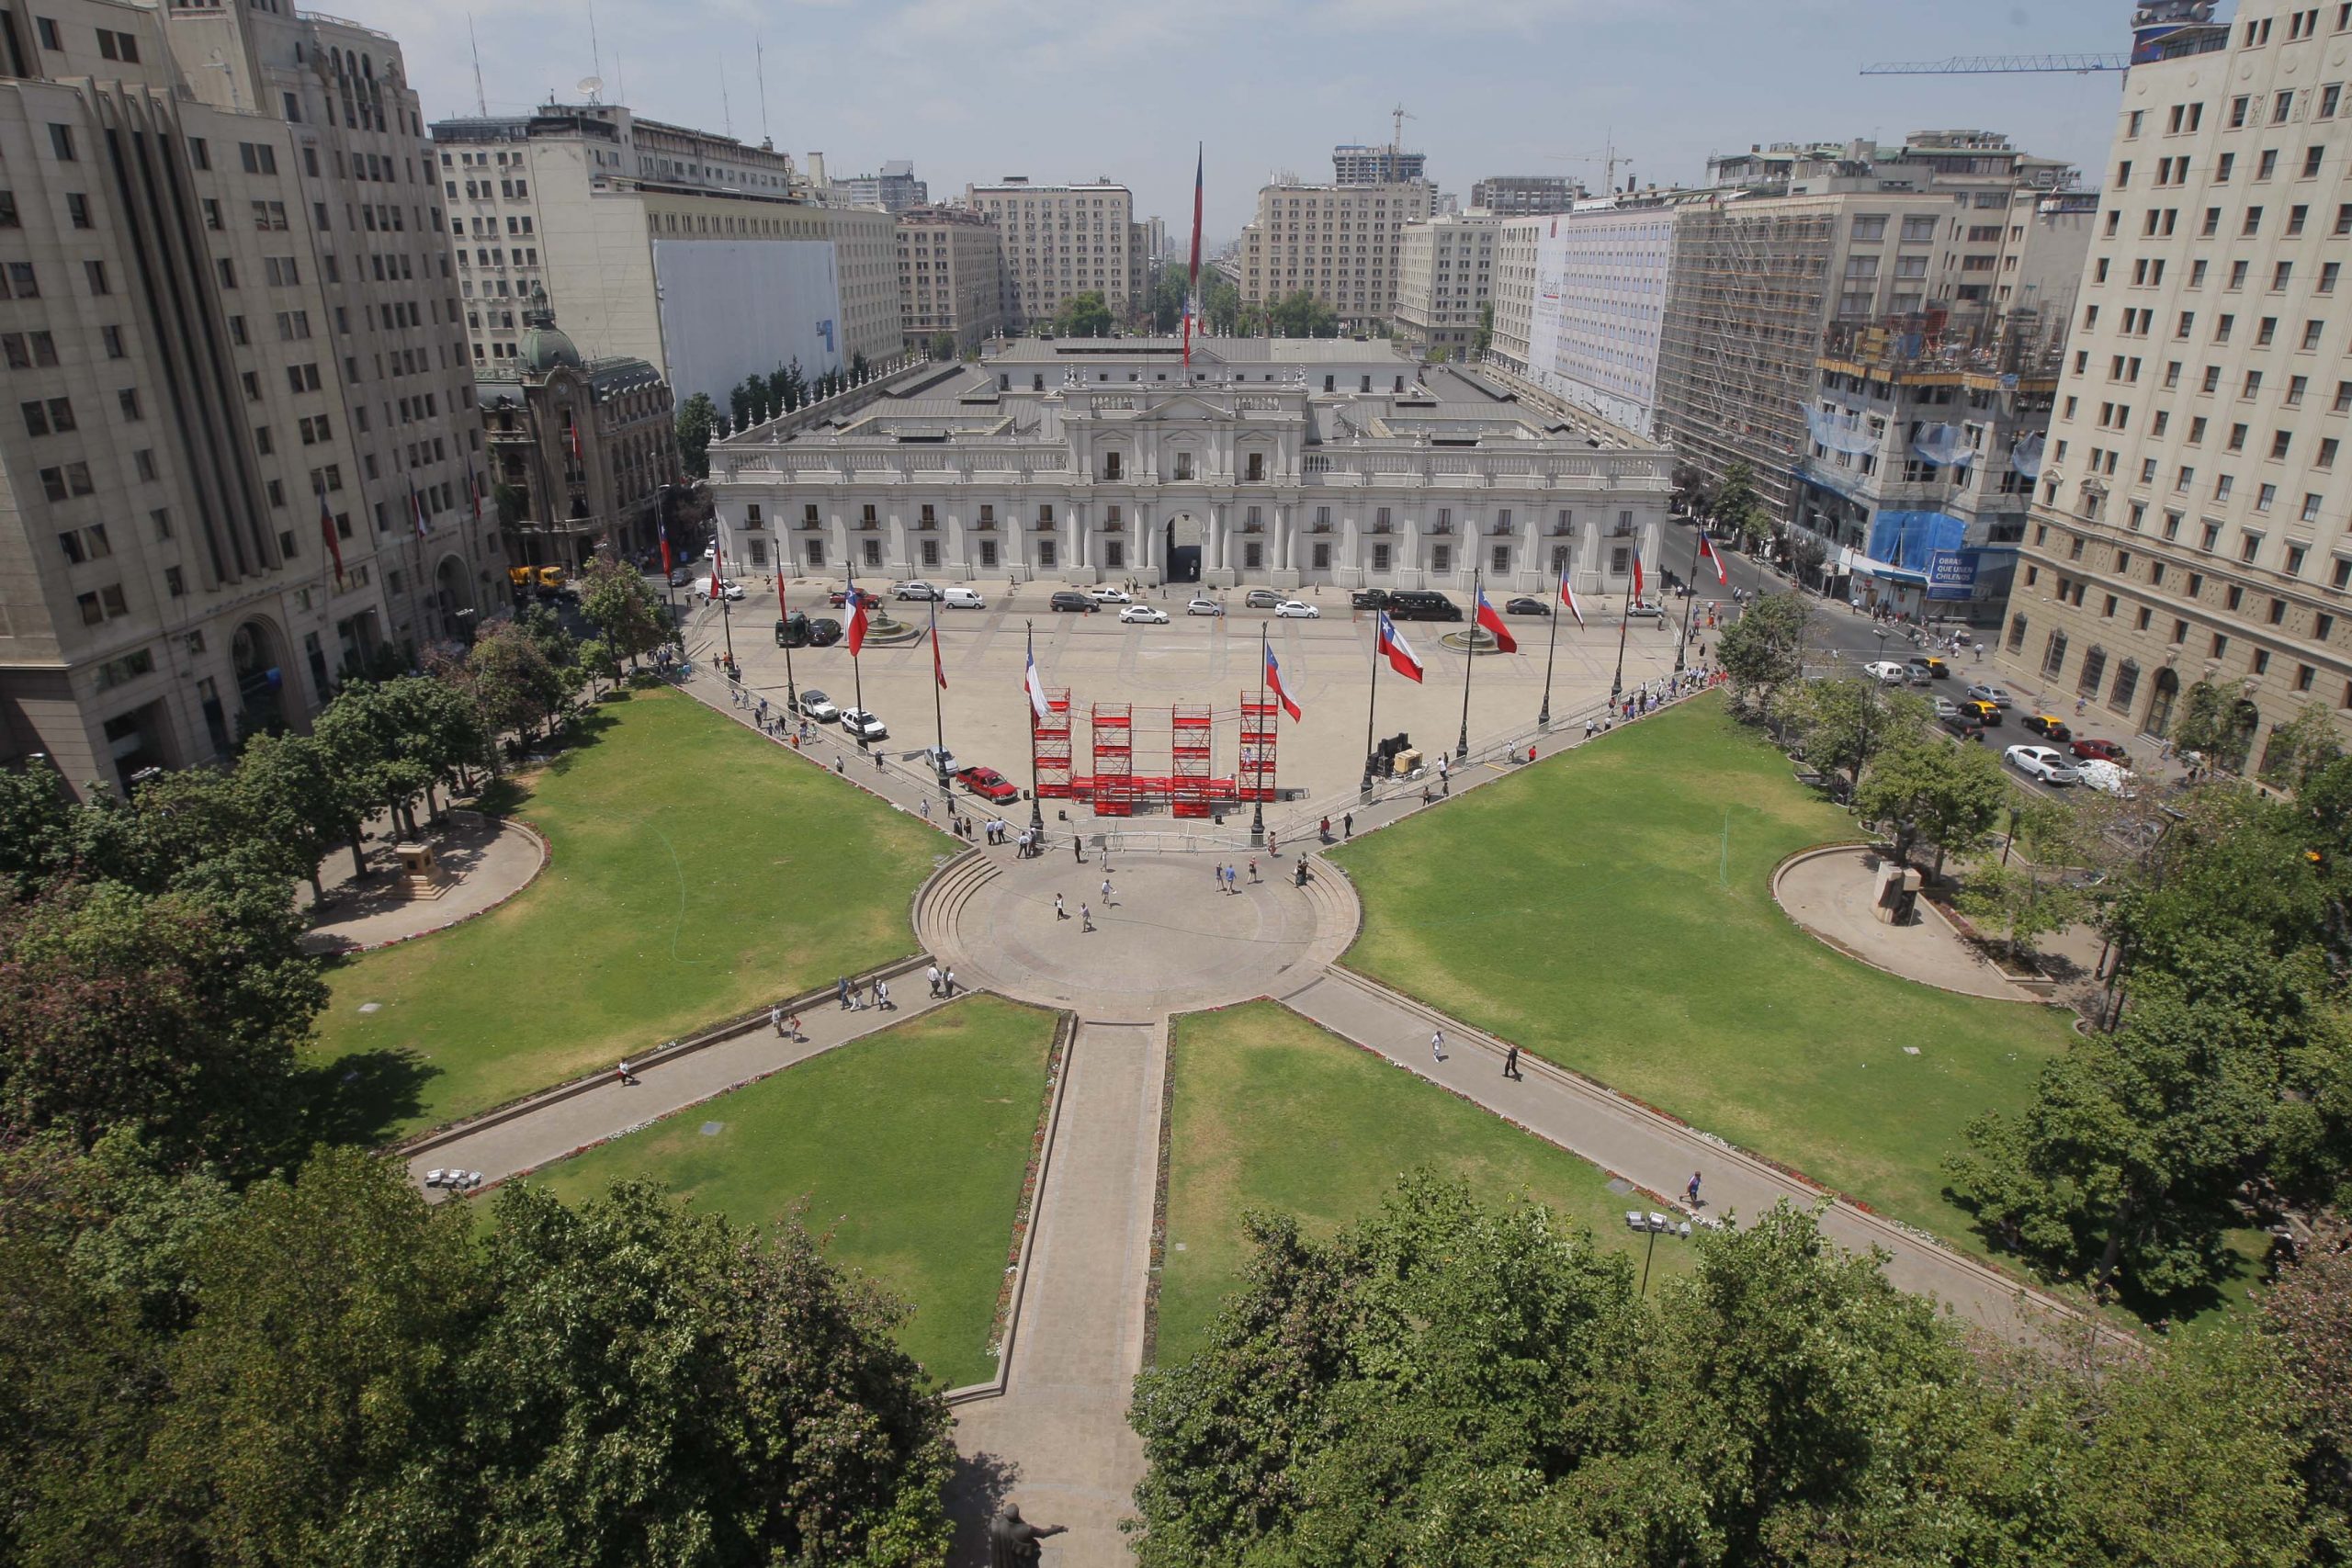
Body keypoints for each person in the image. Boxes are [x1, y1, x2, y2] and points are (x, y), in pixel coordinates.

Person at [989, 1502, 1067, 1568]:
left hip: (1006, 1560)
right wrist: (1059, 1529)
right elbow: (1043, 1534)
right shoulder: (1026, 1529)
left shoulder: (995, 1524)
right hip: (1023, 1561)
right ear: (1018, 1515)